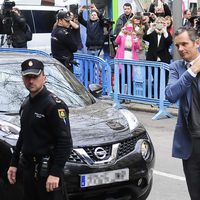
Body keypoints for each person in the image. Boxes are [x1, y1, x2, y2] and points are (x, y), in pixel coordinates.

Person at [7, 58, 73, 200]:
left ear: (44, 77)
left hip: (47, 171)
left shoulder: (54, 105)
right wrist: (13, 164)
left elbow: (65, 142)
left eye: (35, 77)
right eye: (27, 77)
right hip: (29, 169)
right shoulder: (26, 104)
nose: (31, 81)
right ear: (22, 78)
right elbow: (23, 135)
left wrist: (55, 172)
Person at [165, 26, 200, 200]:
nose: (180, 49)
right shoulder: (177, 68)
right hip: (190, 142)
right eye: (177, 45)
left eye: (184, 44)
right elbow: (171, 95)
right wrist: (192, 71)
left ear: (197, 43)